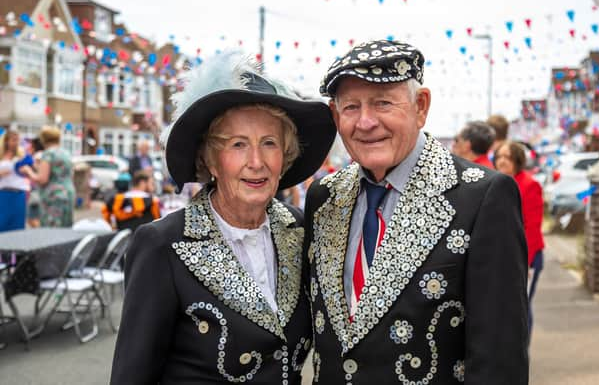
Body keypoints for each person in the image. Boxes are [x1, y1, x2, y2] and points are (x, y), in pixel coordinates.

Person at [304, 40, 529, 384]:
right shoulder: (324, 197)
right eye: (351, 107)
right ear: (336, 116)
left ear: (420, 106)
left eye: (382, 103)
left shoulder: (483, 197)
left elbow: (499, 359)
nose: (365, 122)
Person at [110, 51, 336, 384]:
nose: (256, 161)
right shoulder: (163, 244)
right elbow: (132, 375)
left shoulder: (299, 228)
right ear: (211, 160)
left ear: (285, 156)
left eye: (269, 143)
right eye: (238, 144)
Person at [494, 141, 545, 338]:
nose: (502, 161)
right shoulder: (495, 183)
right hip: (503, 255)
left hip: (527, 256)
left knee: (522, 307)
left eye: (507, 157)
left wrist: (526, 262)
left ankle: (522, 350)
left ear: (517, 160)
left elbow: (531, 228)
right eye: (499, 157)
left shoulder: (530, 185)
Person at [19, 126, 75, 227]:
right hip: (68, 192)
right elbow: (70, 174)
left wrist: (28, 171)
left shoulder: (48, 154)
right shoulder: (66, 153)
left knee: (52, 229)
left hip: (54, 195)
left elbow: (42, 179)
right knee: (65, 228)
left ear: (44, 139)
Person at [0, 129, 30, 231]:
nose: (16, 142)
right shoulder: (1, 156)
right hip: (3, 194)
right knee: (2, 223)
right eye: (13, 140)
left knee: (17, 225)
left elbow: (31, 171)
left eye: (17, 140)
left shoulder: (22, 155)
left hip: (18, 194)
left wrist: (26, 171)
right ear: (6, 141)